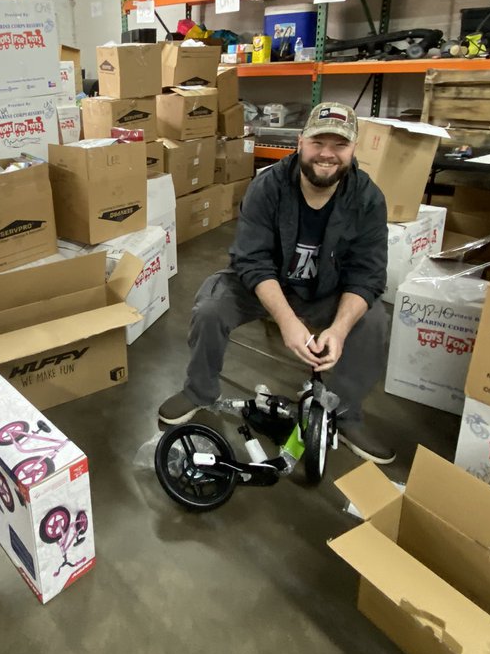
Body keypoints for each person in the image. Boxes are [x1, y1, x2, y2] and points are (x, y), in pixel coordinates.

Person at [159, 102, 394, 465]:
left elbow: (369, 274)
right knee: (211, 306)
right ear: (300, 142)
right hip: (268, 285)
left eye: (339, 145)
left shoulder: (368, 198)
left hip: (325, 292)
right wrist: (287, 321)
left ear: (353, 150)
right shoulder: (267, 186)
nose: (327, 155)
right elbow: (252, 262)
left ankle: (344, 414)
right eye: (318, 143)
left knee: (373, 319)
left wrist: (340, 329)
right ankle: (199, 391)